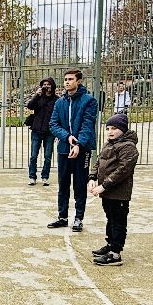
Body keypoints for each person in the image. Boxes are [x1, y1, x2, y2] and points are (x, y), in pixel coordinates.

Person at [46, 68, 98, 233]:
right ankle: (62, 217)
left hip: (81, 150)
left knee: (80, 184)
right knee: (63, 184)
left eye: (70, 79)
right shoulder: (60, 102)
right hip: (63, 149)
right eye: (66, 79)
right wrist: (67, 137)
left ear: (79, 81)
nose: (67, 82)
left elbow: (87, 125)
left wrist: (78, 144)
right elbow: (53, 124)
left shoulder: (89, 100)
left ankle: (78, 218)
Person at [88, 112, 138, 267]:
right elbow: (99, 162)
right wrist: (92, 178)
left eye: (114, 128)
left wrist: (103, 186)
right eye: (108, 128)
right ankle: (110, 244)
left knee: (118, 222)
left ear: (123, 129)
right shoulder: (109, 143)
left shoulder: (128, 147)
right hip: (107, 192)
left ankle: (115, 253)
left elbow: (122, 171)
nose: (110, 131)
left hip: (119, 194)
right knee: (110, 219)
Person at [25, 77, 58, 186]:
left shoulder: (56, 100)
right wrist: (36, 95)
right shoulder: (39, 98)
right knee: (34, 155)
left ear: (52, 86)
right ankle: (32, 176)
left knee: (48, 156)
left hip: (49, 132)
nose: (46, 86)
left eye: (48, 84)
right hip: (36, 130)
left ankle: (45, 177)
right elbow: (29, 106)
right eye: (44, 84)